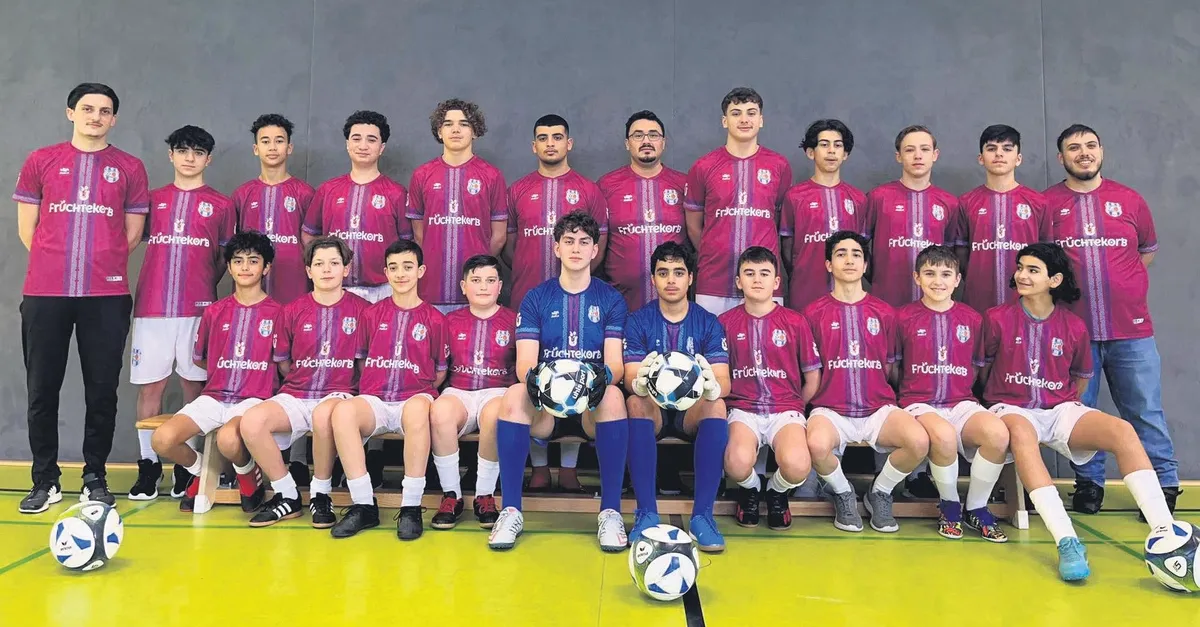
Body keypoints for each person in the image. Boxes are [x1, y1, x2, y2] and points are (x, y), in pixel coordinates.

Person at [980, 242, 1175, 581]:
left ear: (1054, 280)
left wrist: (1061, 406)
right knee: (1022, 433)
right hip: (1009, 408)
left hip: (1059, 408)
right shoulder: (996, 318)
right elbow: (982, 372)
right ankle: (1067, 541)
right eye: (1020, 268)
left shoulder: (1073, 326)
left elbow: (1080, 380)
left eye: (1033, 270)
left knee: (1122, 431)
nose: (1022, 275)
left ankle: (1166, 532)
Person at [15, 83, 149, 513]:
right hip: (46, 293)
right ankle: (45, 480)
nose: (96, 117)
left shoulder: (129, 167)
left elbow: (131, 235)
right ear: (70, 113)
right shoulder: (41, 160)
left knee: (102, 391)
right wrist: (55, 263)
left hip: (106, 295)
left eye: (104, 111)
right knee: (41, 389)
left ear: (114, 119)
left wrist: (100, 262)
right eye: (87, 109)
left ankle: (95, 477)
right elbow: (27, 229)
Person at [1044, 124, 1179, 516]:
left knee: (1144, 410)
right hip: (1073, 332)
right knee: (1079, 415)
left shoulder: (1130, 200)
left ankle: (1164, 484)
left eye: (1090, 145)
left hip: (1131, 330)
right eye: (1074, 148)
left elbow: (1146, 252)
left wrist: (1121, 285)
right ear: (1061, 158)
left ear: (1101, 151)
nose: (1083, 153)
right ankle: (1089, 484)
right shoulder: (1047, 204)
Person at [488, 211, 629, 552]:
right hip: (548, 408)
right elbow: (525, 362)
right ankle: (510, 510)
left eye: (584, 242)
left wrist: (603, 378)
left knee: (613, 396)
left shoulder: (611, 299)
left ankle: (610, 512)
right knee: (515, 394)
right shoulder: (536, 298)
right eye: (569, 241)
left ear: (595, 250)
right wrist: (535, 380)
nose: (576, 249)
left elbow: (615, 363)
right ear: (556, 248)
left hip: (590, 407)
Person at [128, 125, 235, 502]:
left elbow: (224, 260)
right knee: (151, 388)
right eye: (183, 150)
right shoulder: (152, 200)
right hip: (152, 309)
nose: (190, 158)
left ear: (208, 158)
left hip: (199, 311)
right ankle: (148, 466)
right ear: (171, 155)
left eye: (198, 152)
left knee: (194, 387)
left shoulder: (221, 204)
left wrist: (202, 287)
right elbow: (129, 238)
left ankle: (186, 465)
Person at [239, 236, 370, 528]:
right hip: (297, 393)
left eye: (334, 263)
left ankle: (320, 494)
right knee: (251, 422)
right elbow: (284, 363)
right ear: (309, 271)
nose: (327, 269)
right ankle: (287, 495)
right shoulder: (292, 310)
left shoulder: (364, 310)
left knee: (324, 415)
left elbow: (365, 367)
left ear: (346, 269)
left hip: (340, 395)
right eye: (319, 264)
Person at [804, 231, 930, 533]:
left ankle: (880, 491)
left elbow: (889, 365)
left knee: (919, 441)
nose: (849, 260)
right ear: (828, 265)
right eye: (841, 254)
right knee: (815, 445)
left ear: (865, 265)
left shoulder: (885, 312)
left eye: (856, 255)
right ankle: (842, 492)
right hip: (831, 409)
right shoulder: (812, 313)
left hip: (877, 408)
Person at [505, 114, 606, 491]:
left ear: (569, 143)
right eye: (543, 138)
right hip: (530, 297)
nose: (550, 143)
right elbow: (510, 245)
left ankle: (568, 467)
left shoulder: (588, 190)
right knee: (537, 376)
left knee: (575, 369)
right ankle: (539, 466)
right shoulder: (518, 189)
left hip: (579, 298)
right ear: (534, 145)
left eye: (557, 137)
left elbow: (599, 245)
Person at [149, 231, 281, 514]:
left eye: (253, 261)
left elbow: (284, 364)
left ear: (266, 267)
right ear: (229, 267)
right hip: (215, 397)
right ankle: (203, 472)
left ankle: (248, 474)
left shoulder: (279, 313)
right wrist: (226, 371)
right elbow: (201, 360)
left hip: (254, 400)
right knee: (162, 439)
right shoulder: (214, 312)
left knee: (228, 440)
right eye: (238, 261)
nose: (245, 267)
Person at [327, 240, 448, 541]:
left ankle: (410, 507)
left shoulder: (435, 318)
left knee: (418, 409)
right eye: (393, 268)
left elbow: (440, 372)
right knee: (342, 412)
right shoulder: (370, 314)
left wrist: (415, 387)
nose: (400, 274)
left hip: (414, 397)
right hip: (376, 399)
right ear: (386, 273)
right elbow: (362, 360)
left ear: (420, 271)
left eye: (407, 267)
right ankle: (364, 505)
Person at [894, 245, 1010, 542]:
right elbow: (892, 368)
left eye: (946, 274)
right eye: (929, 273)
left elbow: (976, 367)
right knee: (943, 436)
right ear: (917, 277)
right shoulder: (902, 317)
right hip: (918, 402)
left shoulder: (972, 319)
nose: (938, 281)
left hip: (961, 402)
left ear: (958, 280)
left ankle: (976, 507)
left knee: (997, 433)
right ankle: (949, 505)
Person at [623, 242, 729, 550]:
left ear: (690, 278)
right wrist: (638, 383)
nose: (671, 280)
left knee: (717, 405)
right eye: (663, 272)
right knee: (634, 401)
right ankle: (646, 513)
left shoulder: (708, 322)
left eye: (679, 272)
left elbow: (723, 379)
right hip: (653, 410)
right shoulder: (638, 321)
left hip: (690, 412)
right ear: (653, 279)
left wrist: (713, 387)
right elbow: (630, 376)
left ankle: (703, 517)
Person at [719, 247, 820, 532]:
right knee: (736, 463)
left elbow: (813, 378)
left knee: (798, 465)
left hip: (785, 409)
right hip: (743, 409)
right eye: (749, 273)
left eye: (764, 274)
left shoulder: (795, 322)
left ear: (776, 282)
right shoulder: (725, 323)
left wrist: (795, 405)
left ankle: (776, 492)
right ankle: (751, 489)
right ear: (738, 281)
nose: (757, 280)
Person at [427, 255, 516, 530]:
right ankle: (451, 495)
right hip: (460, 390)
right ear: (464, 287)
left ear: (500, 286)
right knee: (440, 411)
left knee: (495, 415)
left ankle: (484, 495)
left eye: (490, 280)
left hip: (498, 391)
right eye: (476, 280)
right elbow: (439, 367)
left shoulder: (513, 320)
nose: (483, 286)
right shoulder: (449, 321)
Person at [684, 87, 791, 315]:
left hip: (765, 283)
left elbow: (778, 219)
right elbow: (693, 224)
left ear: (761, 120)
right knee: (713, 339)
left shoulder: (779, 166)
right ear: (725, 121)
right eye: (736, 113)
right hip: (714, 282)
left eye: (751, 113)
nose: (744, 119)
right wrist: (715, 251)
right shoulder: (703, 166)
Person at [407, 99, 507, 315]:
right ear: (439, 131)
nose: (455, 129)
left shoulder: (492, 175)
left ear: (475, 131)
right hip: (430, 289)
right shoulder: (422, 175)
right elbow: (419, 235)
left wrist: (478, 268)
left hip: (476, 294)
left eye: (463, 124)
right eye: (448, 124)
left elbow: (499, 237)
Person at [303, 110, 411, 305]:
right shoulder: (328, 190)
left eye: (371, 140)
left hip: (384, 290)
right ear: (347, 144)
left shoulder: (396, 193)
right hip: (335, 289)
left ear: (382, 147)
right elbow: (309, 236)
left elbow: (407, 244)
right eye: (356, 138)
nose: (363, 146)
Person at [948, 124, 1051, 314]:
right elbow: (960, 254)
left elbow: (1047, 254)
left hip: (1027, 303)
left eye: (1007, 148)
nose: (999, 154)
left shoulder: (1038, 202)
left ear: (1018, 158)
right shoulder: (966, 202)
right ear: (981, 158)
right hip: (978, 302)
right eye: (991, 148)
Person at [597, 110, 687, 311]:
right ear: (627, 143)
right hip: (621, 306)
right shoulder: (606, 185)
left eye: (653, 135)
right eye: (638, 135)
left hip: (675, 308)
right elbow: (596, 247)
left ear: (663, 142)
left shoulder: (683, 184)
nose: (646, 141)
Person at [862, 125, 957, 308]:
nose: (918, 156)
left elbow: (952, 254)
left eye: (925, 149)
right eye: (909, 150)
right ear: (898, 156)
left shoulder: (949, 203)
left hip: (933, 304)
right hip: (887, 301)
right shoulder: (878, 197)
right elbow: (859, 247)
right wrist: (879, 278)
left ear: (935, 155)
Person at [780, 119, 866, 311]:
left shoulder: (858, 199)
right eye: (824, 144)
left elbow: (861, 247)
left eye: (838, 145)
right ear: (811, 152)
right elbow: (787, 247)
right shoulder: (794, 196)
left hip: (847, 294)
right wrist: (801, 272)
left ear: (845, 154)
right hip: (805, 291)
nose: (831, 151)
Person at [233, 113, 316, 307]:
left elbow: (313, 245)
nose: (272, 147)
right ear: (256, 149)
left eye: (279, 141)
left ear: (289, 148)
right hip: (250, 294)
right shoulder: (242, 194)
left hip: (295, 289)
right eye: (265, 141)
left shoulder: (306, 193)